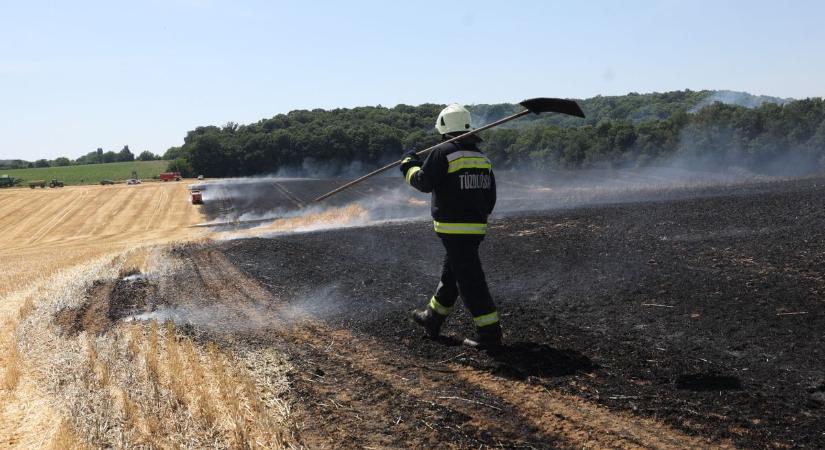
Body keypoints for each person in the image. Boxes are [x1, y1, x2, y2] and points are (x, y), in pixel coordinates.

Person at [399, 103, 501, 350]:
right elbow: (491, 198)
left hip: (452, 228)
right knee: (452, 276)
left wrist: (408, 165)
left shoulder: (442, 152)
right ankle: (432, 319)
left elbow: (423, 182)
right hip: (475, 228)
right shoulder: (481, 157)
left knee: (470, 281)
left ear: (443, 127)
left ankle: (489, 333)